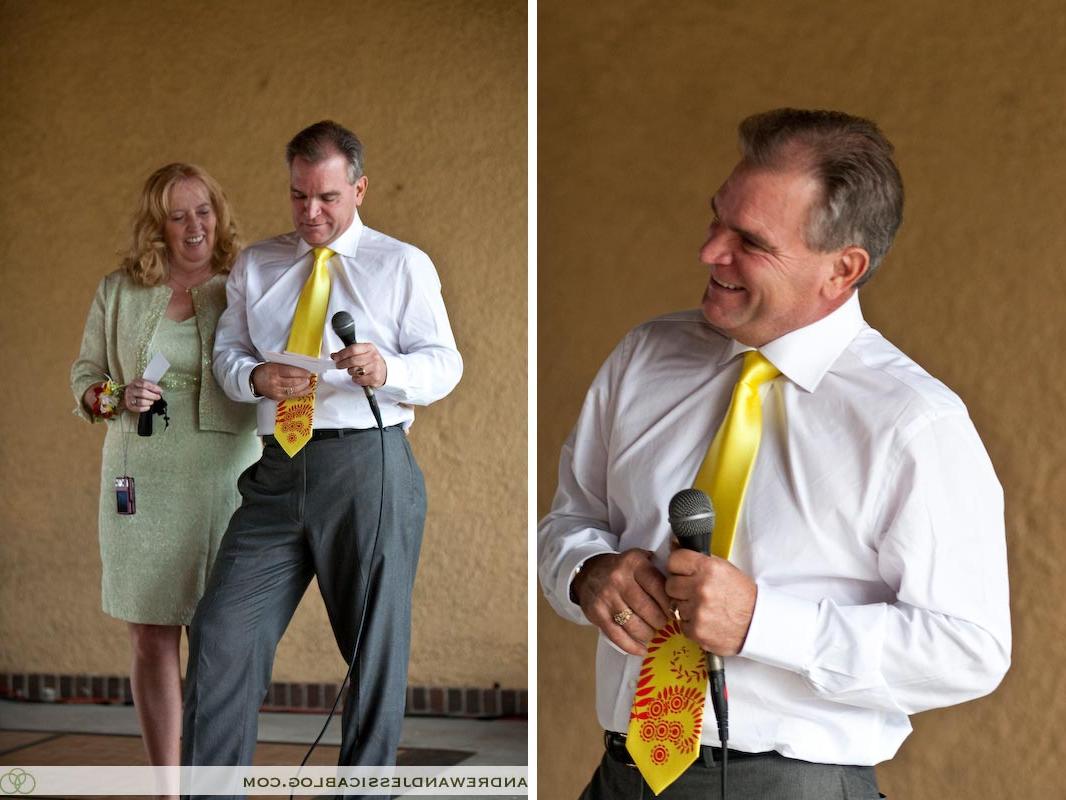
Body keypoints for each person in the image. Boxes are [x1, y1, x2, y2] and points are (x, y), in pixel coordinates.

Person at [538, 109, 1010, 799]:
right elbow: (567, 521)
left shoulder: (914, 423)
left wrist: (766, 624)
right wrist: (586, 572)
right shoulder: (643, 357)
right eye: (715, 220)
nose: (708, 253)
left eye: (749, 241)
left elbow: (970, 649)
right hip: (622, 776)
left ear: (842, 269)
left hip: (793, 783)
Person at [181, 120, 462, 783]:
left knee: (373, 657)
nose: (311, 212)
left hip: (370, 466)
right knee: (221, 635)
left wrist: (387, 369)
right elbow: (229, 351)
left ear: (358, 189)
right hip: (276, 469)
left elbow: (444, 362)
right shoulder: (257, 264)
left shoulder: (402, 264)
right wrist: (254, 378)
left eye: (328, 197)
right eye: (299, 196)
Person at [70, 164, 260, 780]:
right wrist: (114, 396)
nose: (193, 226)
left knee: (225, 638)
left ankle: (215, 782)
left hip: (226, 476)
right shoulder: (118, 291)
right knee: (152, 636)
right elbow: (84, 378)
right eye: (177, 215)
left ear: (218, 213)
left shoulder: (246, 286)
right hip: (140, 480)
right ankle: (167, 790)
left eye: (202, 210)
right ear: (158, 225)